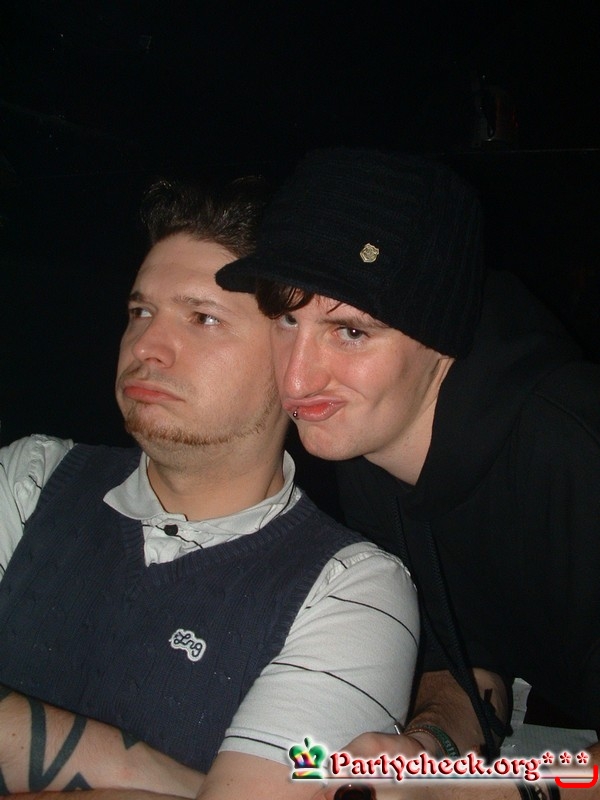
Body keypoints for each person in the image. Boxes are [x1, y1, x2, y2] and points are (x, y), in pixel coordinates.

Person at [0, 176, 419, 800]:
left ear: (290, 364)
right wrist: (158, 779)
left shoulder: (351, 590)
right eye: (140, 312)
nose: (146, 346)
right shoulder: (30, 479)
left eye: (203, 318)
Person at [216, 147, 600, 799]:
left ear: (439, 331)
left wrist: (471, 793)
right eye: (286, 319)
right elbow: (469, 666)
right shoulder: (367, 443)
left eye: (350, 332)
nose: (297, 379)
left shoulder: (572, 451)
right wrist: (425, 751)